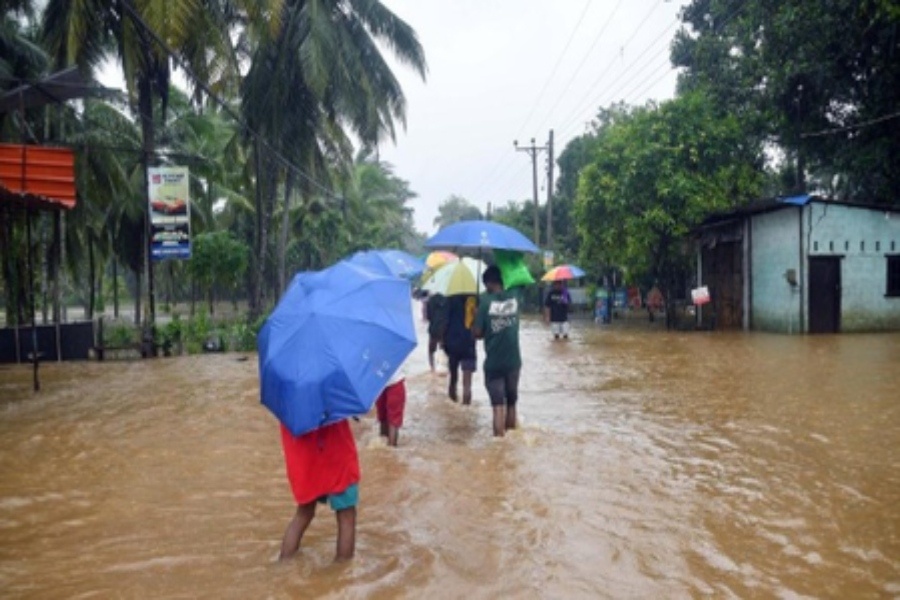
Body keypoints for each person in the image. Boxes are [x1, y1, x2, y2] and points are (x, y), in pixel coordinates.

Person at [278, 420, 359, 562]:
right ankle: (341, 574)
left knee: (303, 514)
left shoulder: (287, 402)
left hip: (305, 459)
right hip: (337, 454)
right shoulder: (333, 397)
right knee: (346, 515)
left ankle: (283, 565)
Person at [472, 265, 521, 437]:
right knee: (512, 403)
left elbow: (477, 334)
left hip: (494, 363)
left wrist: (475, 314)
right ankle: (511, 442)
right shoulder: (514, 296)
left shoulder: (484, 301)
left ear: (488, 283)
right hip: (514, 362)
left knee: (497, 407)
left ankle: (499, 446)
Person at [442, 294, 478, 404]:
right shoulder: (474, 298)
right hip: (469, 343)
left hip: (452, 343)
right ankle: (466, 413)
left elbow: (445, 321)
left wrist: (443, 341)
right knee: (467, 385)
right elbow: (478, 323)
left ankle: (453, 409)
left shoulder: (450, 298)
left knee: (453, 380)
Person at [376, 363, 407, 447]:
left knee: (389, 420)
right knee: (386, 419)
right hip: (383, 383)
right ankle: (389, 450)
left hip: (388, 382)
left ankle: (388, 449)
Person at [425, 291, 449, 372]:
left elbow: (428, 317)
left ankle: (432, 368)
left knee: (431, 350)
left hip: (433, 329)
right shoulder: (448, 300)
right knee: (445, 349)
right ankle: (447, 368)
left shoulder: (430, 300)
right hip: (445, 329)